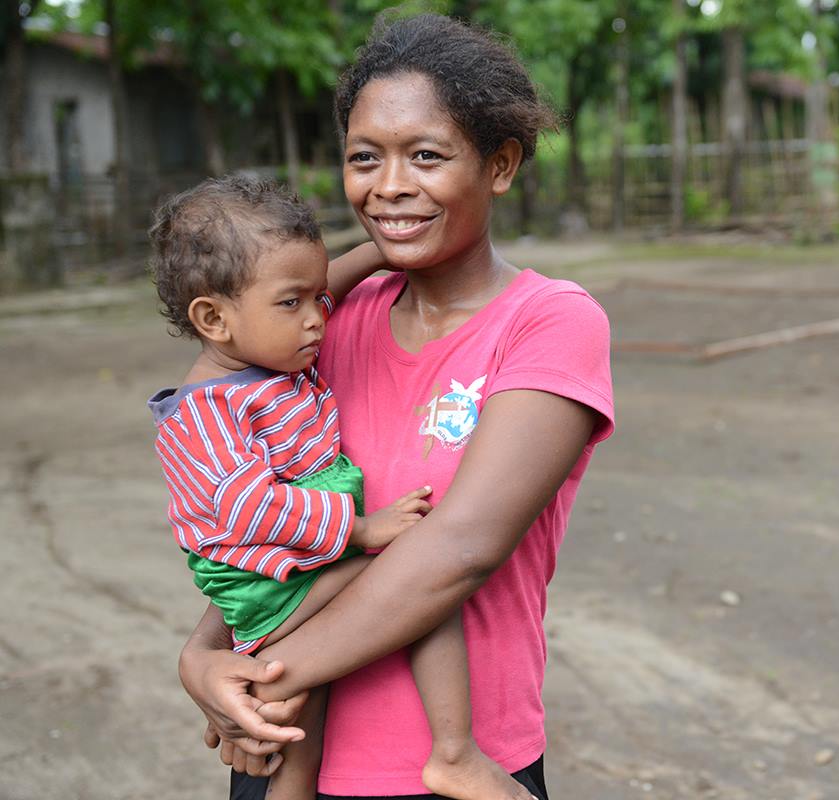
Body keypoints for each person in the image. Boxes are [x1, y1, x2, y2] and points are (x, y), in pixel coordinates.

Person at [177, 13, 614, 800]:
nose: (389, 185)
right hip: (290, 749)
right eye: (364, 158)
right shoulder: (321, 328)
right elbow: (261, 516)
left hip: (448, 770)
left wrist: (267, 675)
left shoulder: (548, 323)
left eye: (426, 156)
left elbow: (460, 548)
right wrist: (204, 658)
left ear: (500, 164)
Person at [148, 176, 538, 800]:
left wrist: (385, 250)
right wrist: (361, 530)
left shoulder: (268, 354)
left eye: (318, 298)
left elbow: (318, 284)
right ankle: (455, 752)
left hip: (300, 565)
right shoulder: (206, 412)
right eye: (293, 303)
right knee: (416, 579)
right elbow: (249, 507)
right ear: (213, 319)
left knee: (301, 728)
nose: (316, 317)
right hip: (271, 587)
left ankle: (450, 752)